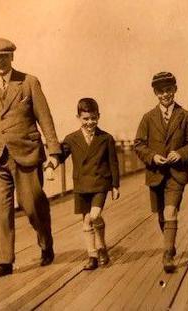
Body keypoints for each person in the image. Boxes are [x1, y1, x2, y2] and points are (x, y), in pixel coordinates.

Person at [0, 38, 61, 278]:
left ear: (12, 57)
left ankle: (45, 242)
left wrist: (54, 153)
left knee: (33, 205)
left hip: (27, 154)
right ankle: (4, 261)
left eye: (4, 56)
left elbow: (45, 118)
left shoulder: (29, 82)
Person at [134, 72, 188, 273]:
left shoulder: (185, 116)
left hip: (176, 174)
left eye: (169, 89)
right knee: (162, 215)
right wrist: (152, 157)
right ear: (155, 93)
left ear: (175, 89)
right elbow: (139, 144)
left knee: (171, 211)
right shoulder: (147, 118)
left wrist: (181, 153)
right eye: (161, 91)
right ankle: (170, 243)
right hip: (155, 174)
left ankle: (168, 254)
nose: (165, 94)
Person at [47, 98, 120, 270]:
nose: (90, 122)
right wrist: (50, 166)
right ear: (78, 117)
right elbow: (60, 154)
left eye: (93, 118)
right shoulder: (71, 139)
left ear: (98, 116)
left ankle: (101, 247)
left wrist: (115, 185)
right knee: (86, 221)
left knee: (94, 216)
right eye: (85, 119)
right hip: (81, 185)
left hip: (100, 184)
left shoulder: (106, 138)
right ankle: (92, 255)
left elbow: (113, 163)